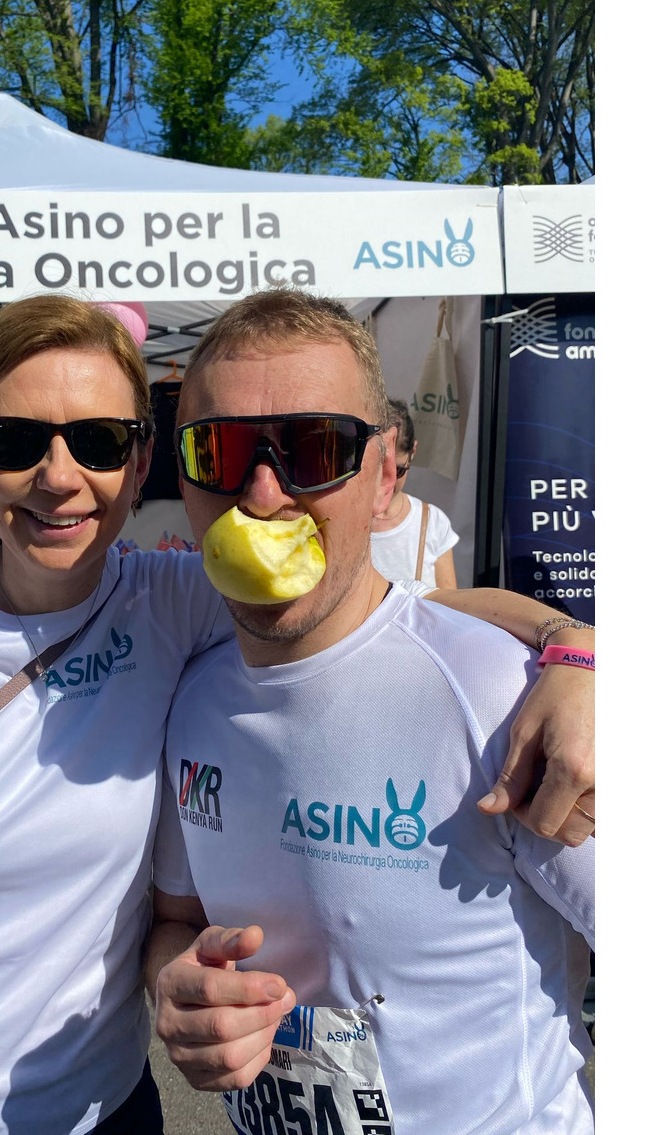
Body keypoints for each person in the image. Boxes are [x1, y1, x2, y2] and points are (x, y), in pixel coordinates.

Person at [0, 294, 593, 1135]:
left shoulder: (174, 602)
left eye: (100, 441)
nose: (58, 476)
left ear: (140, 461)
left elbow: (384, 608)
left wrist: (574, 648)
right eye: (15, 441)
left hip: (92, 1106)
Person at [149, 289, 595, 1135]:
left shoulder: (502, 695)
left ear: (385, 478)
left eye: (315, 448)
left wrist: (581, 652)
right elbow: (178, 918)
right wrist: (177, 989)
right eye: (221, 450)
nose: (264, 494)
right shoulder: (191, 696)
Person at [370, 397, 459, 588]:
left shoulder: (433, 524)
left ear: (413, 452)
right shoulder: (345, 521)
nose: (386, 481)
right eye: (377, 470)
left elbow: (448, 603)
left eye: (398, 470)